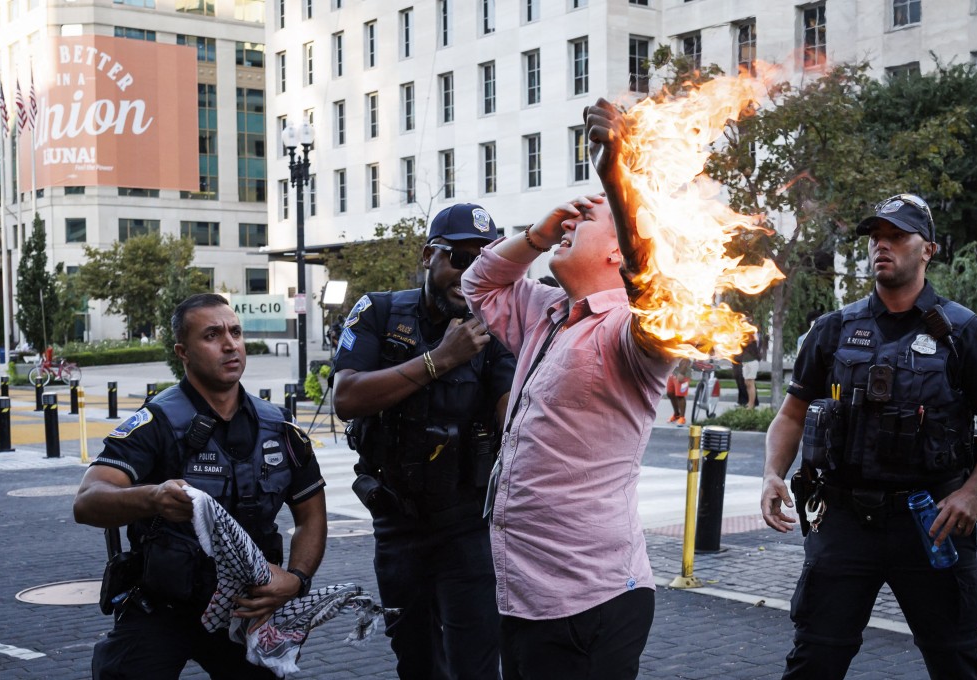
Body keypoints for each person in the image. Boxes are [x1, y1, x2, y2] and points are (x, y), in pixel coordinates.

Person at [760, 193, 977, 679]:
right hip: (843, 522)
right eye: (877, 237)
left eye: (898, 236)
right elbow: (791, 414)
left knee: (955, 661)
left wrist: (973, 491)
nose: (883, 245)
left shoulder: (964, 332)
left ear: (928, 250)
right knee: (815, 658)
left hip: (932, 522)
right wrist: (773, 473)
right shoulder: (833, 329)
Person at [460, 100, 674, 680]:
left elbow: (658, 296)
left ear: (617, 251)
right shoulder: (548, 310)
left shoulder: (629, 331)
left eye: (591, 214)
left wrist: (617, 177)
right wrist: (534, 236)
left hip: (592, 601)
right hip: (523, 591)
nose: (573, 217)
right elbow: (477, 285)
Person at [73, 293, 327, 679]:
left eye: (235, 332)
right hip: (164, 608)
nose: (230, 344)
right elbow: (88, 500)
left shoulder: (279, 426)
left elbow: (311, 514)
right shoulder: (156, 422)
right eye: (212, 335)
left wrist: (297, 579)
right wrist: (152, 498)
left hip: (246, 610)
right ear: (183, 352)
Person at [332, 203, 515, 680]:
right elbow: (347, 398)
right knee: (416, 663)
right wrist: (440, 360)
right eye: (459, 258)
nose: (470, 273)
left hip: (467, 526)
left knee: (474, 665)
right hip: (398, 523)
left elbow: (513, 415)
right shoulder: (379, 311)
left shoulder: (494, 329)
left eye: (485, 261)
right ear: (429, 255)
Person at [736, 323, 761, 409]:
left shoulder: (751, 337)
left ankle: (751, 404)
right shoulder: (742, 337)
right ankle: (749, 403)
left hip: (752, 362)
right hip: (746, 362)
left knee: (750, 383)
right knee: (747, 383)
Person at [667, 357, 692, 424]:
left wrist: (682, 373)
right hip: (673, 372)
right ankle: (676, 414)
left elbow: (687, 359)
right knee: (670, 393)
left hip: (684, 374)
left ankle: (682, 417)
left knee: (680, 396)